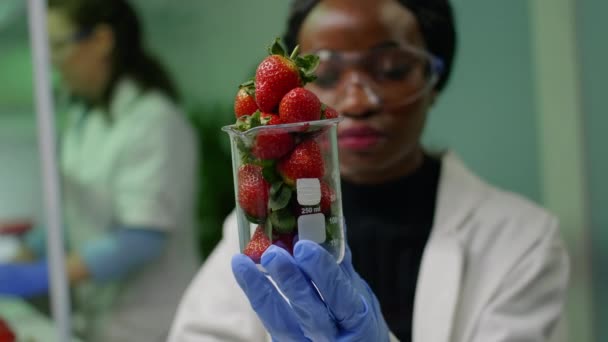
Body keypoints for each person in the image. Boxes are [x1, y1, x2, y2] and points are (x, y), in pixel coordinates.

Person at [168, 0, 570, 341]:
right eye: (324, 73)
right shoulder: (257, 232)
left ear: (435, 80)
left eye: (392, 69)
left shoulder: (523, 240)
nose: (357, 102)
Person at [0, 0, 198, 341]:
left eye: (58, 45)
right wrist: (28, 251)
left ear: (102, 40)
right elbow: (78, 213)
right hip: (99, 320)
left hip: (150, 324)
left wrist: (45, 275)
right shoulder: (85, 118)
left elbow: (141, 239)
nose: (49, 59)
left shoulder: (153, 120)